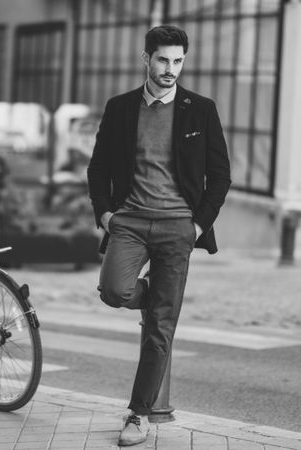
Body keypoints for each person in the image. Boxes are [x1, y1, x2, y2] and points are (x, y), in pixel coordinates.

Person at [86, 25, 231, 446]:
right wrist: (106, 215)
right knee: (113, 291)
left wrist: (198, 225)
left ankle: (138, 413)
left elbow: (219, 175)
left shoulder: (200, 109)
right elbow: (97, 168)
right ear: (146, 58)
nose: (171, 69)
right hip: (128, 221)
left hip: (177, 228)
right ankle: (152, 292)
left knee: (160, 327)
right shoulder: (120, 108)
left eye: (178, 61)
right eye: (163, 60)